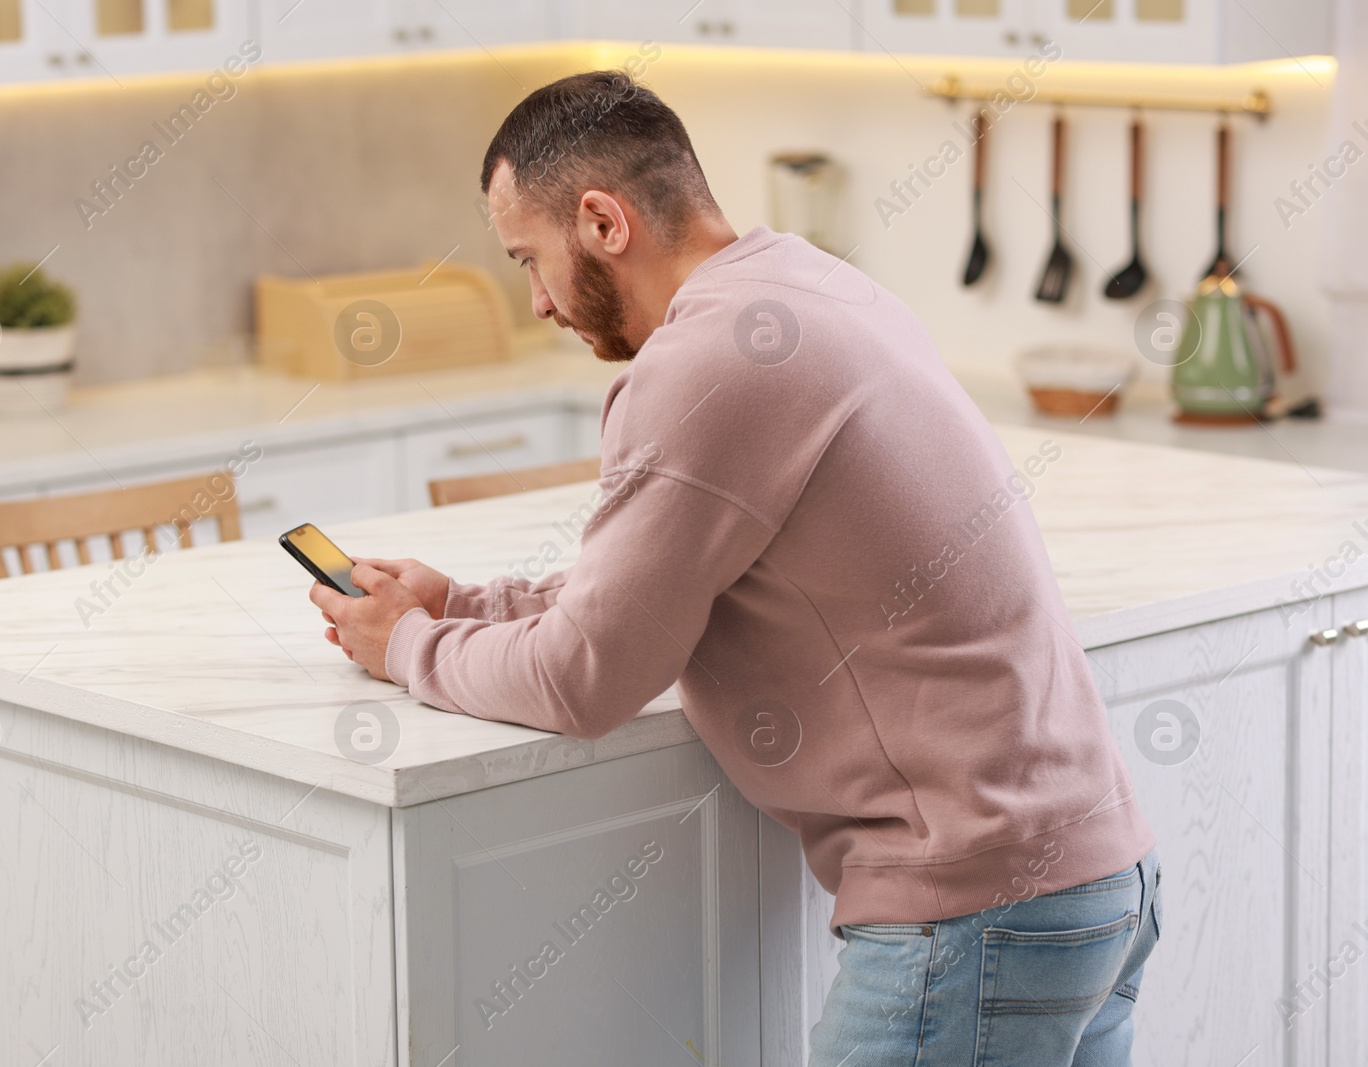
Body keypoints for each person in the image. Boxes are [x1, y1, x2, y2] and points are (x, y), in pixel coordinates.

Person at [309, 69, 1161, 1066]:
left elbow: (585, 677)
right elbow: (673, 570)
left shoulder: (708, 363)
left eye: (528, 259)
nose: (536, 301)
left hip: (974, 909)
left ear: (601, 221)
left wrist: (408, 644)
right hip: (1089, 879)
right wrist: (460, 601)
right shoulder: (807, 285)